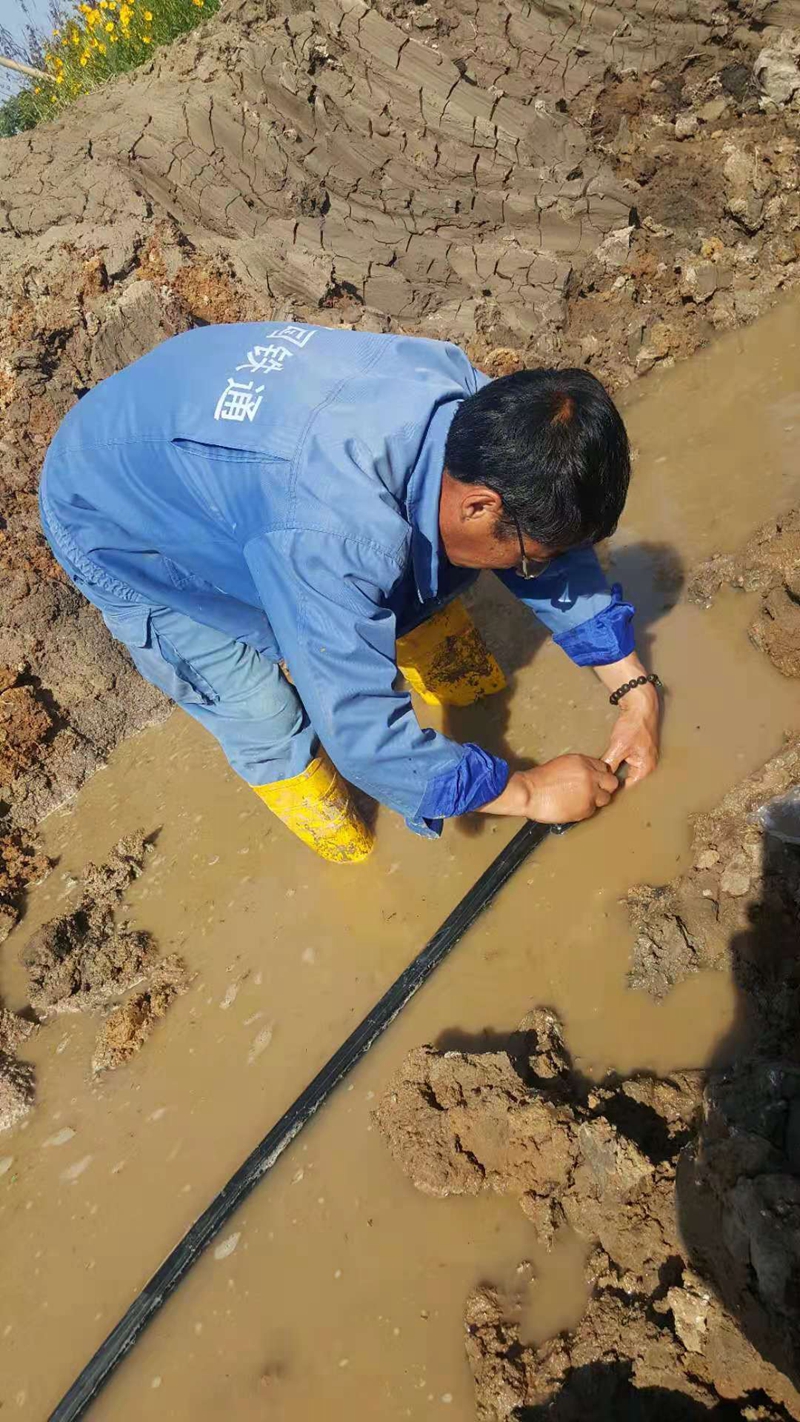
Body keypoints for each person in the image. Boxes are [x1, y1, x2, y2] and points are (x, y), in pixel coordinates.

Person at [39, 322, 661, 863]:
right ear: (478, 505)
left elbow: (549, 539)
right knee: (261, 712)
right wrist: (526, 793)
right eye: (532, 560)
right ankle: (350, 855)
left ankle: (440, 670)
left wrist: (633, 690)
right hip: (117, 516)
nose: (537, 568)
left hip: (219, 448)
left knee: (416, 592)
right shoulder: (330, 533)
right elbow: (362, 737)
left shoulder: (491, 416)